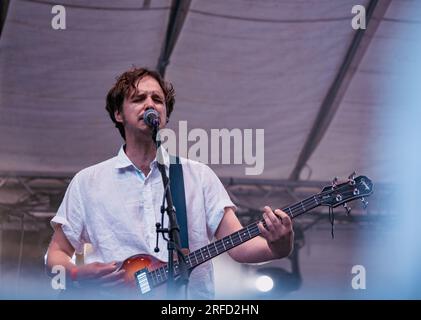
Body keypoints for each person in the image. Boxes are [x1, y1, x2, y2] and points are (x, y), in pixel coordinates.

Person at [46, 67, 294, 299]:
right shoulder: (88, 181)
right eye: (138, 98)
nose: (150, 104)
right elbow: (56, 253)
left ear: (165, 114)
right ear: (118, 114)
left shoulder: (197, 175)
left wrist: (279, 246)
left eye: (157, 99)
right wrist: (77, 274)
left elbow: (239, 247)